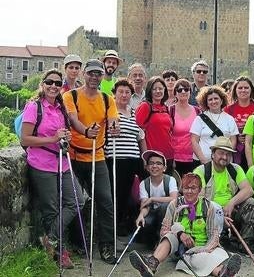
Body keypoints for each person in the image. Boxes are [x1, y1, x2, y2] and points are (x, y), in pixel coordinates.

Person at [22, 69, 82, 268]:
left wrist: (67, 138)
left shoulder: (61, 108)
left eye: (57, 83)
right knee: (52, 211)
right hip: (41, 164)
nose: (54, 86)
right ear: (43, 84)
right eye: (50, 82)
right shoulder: (34, 107)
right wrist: (53, 138)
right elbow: (25, 139)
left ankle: (50, 239)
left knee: (77, 202)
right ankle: (60, 252)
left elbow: (62, 135)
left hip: (62, 163)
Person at [129, 173, 242, 277]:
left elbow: (214, 236)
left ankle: (223, 272)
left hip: (203, 248)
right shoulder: (174, 204)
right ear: (182, 189)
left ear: (199, 190)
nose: (189, 191)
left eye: (193, 188)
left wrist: (203, 250)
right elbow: (163, 231)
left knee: (200, 258)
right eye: (186, 188)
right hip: (180, 250)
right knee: (169, 236)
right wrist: (179, 233)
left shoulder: (209, 207)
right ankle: (151, 264)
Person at [62, 59, 120, 264]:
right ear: (84, 74)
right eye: (91, 73)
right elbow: (72, 119)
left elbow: (112, 119)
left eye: (98, 74)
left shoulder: (107, 98)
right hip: (75, 156)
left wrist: (113, 127)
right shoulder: (70, 96)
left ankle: (106, 246)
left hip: (98, 155)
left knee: (105, 202)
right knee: (76, 201)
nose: (94, 77)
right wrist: (86, 131)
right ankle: (80, 243)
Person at [192, 137, 254, 255]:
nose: (225, 157)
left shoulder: (235, 169)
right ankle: (219, 240)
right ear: (213, 154)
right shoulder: (201, 171)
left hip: (230, 211)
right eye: (221, 153)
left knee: (251, 202)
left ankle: (246, 242)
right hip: (209, 213)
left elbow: (248, 190)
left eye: (228, 154)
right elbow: (198, 200)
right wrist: (219, 213)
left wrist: (231, 202)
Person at [105, 79, 147, 236]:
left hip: (133, 159)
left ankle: (125, 225)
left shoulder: (134, 113)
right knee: (116, 194)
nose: (124, 95)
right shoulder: (109, 112)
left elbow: (140, 137)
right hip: (116, 159)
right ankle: (112, 229)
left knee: (131, 195)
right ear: (114, 94)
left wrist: (144, 157)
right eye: (120, 92)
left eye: (127, 92)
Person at [136, 150, 179, 248]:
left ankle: (163, 240)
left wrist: (152, 199)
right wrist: (141, 215)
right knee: (145, 222)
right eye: (151, 163)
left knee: (165, 206)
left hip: (169, 214)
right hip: (152, 212)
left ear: (164, 168)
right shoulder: (144, 184)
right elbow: (145, 205)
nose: (154, 166)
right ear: (147, 167)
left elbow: (174, 198)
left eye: (158, 163)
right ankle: (152, 242)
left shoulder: (170, 180)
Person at [135, 76, 175, 175]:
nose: (158, 91)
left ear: (164, 90)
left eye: (160, 88)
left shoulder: (166, 108)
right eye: (154, 89)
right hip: (152, 158)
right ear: (150, 90)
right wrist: (144, 157)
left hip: (168, 157)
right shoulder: (145, 106)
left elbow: (169, 133)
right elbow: (138, 132)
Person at [191, 86, 238, 166]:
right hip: (202, 163)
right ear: (206, 103)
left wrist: (226, 157)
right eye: (210, 99)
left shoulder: (229, 119)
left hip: (224, 162)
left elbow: (233, 140)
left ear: (221, 100)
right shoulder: (199, 119)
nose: (213, 101)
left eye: (216, 98)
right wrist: (203, 160)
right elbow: (194, 141)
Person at [224, 76, 254, 169]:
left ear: (251, 90)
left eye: (246, 88)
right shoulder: (228, 109)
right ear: (235, 90)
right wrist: (236, 137)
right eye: (240, 88)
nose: (243, 90)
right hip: (235, 151)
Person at [171, 79, 199, 176]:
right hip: (175, 159)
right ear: (175, 93)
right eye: (179, 90)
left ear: (190, 92)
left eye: (186, 89)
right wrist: (171, 159)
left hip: (194, 158)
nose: (183, 92)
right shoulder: (170, 110)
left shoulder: (198, 111)